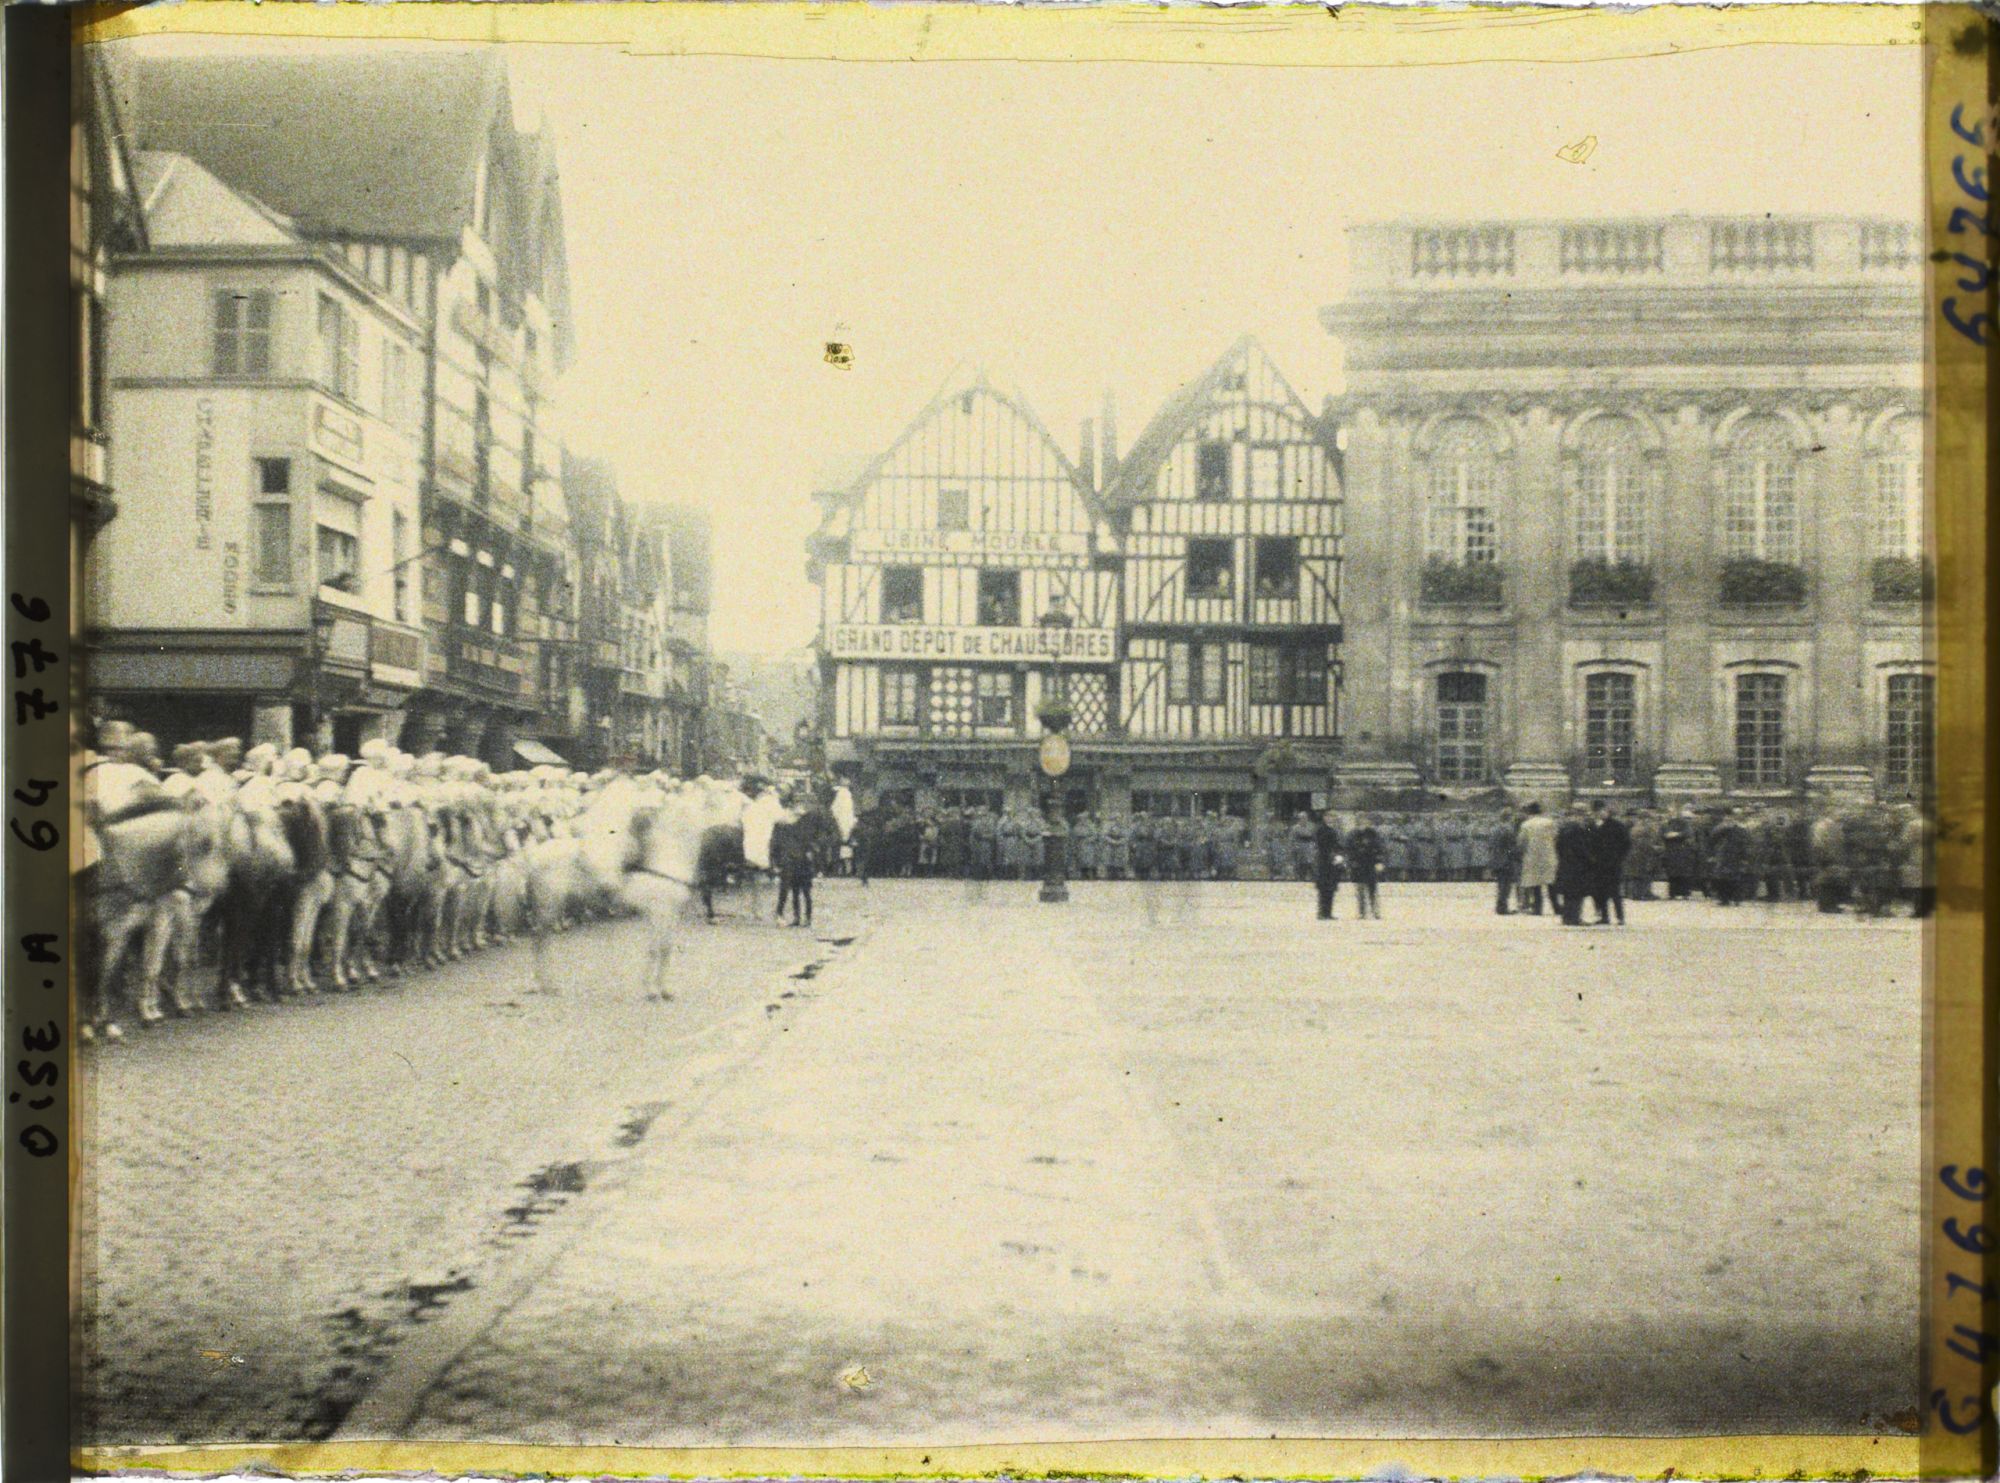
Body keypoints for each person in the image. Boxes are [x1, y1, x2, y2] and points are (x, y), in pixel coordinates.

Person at [1586, 800, 1632, 925]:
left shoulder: (1617, 825)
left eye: (1602, 810)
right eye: (1597, 811)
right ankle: (1604, 916)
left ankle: (1620, 917)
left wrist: (1619, 857)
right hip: (1597, 864)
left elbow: (1626, 843)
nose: (1600, 813)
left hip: (1613, 864)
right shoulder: (1591, 825)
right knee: (1599, 892)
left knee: (1615, 892)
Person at [1516, 802, 1558, 916]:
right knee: (1551, 883)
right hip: (1549, 856)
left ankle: (1538, 908)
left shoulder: (1525, 825)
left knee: (1536, 885)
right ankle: (1556, 907)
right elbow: (1555, 837)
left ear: (1529, 812)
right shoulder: (1549, 823)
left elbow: (1521, 842)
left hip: (1532, 857)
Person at [1553, 804, 1592, 925]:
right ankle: (1575, 918)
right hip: (1577, 865)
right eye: (1585, 814)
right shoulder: (1578, 828)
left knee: (1568, 893)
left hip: (1565, 863)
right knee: (1577, 893)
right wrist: (1590, 859)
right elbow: (1581, 848)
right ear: (1580, 814)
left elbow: (1557, 845)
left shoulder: (1564, 827)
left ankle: (1567, 917)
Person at [1346, 813, 1384, 919]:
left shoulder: (1373, 833)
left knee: (1373, 888)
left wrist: (1379, 861)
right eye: (1360, 819)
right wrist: (1351, 861)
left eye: (1364, 819)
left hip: (1370, 863)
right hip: (1358, 864)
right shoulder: (1352, 834)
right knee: (1360, 889)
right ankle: (1362, 912)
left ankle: (1375, 911)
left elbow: (1379, 847)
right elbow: (1349, 849)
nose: (1363, 821)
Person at [1311, 809, 1346, 921]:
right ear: (1324, 817)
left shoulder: (1335, 830)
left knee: (1331, 888)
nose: (1331, 818)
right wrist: (1333, 855)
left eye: (1333, 817)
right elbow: (1323, 846)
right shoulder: (1321, 829)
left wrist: (1339, 855)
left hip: (1333, 862)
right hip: (1324, 862)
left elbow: (1338, 845)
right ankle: (1322, 912)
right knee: (1324, 888)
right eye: (1329, 816)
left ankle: (1328, 912)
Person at [1488, 809, 1521, 914]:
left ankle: (1500, 906)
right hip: (1506, 860)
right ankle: (1502, 908)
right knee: (1506, 885)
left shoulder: (1494, 829)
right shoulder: (1508, 829)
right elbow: (1511, 846)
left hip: (1496, 859)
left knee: (1500, 884)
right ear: (1509, 817)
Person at [1661, 808, 1699, 899]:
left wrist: (1675, 835)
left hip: (1681, 852)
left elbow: (1687, 833)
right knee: (1673, 874)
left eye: (1673, 813)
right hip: (1672, 851)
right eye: (1670, 813)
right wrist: (1676, 835)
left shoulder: (1684, 823)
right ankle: (1674, 893)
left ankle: (1684, 893)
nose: (1672, 815)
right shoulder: (1666, 824)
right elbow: (1663, 834)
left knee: (1683, 873)